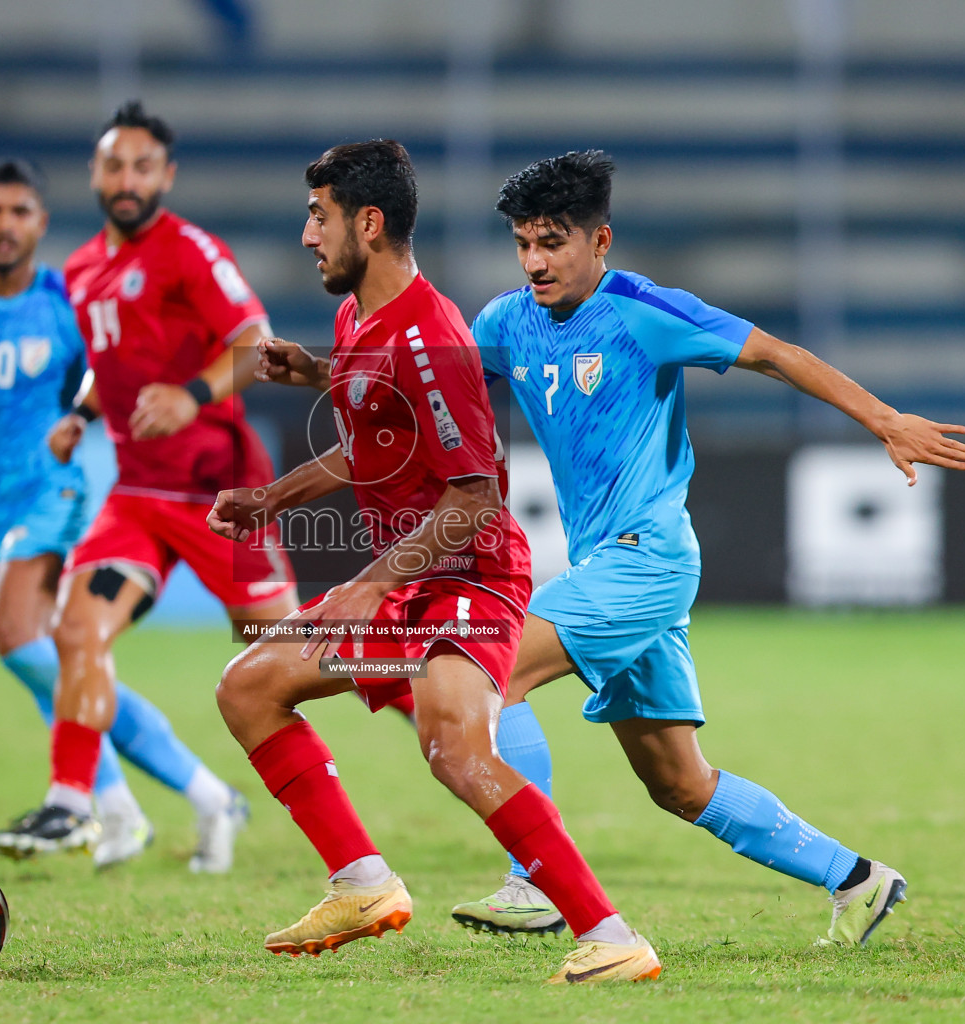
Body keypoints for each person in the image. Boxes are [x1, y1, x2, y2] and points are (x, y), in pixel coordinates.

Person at [262, 149, 965, 946]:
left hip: (649, 559)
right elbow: (423, 381)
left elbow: (776, 354)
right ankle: (858, 880)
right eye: (524, 244)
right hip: (605, 566)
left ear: (599, 242)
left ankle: (531, 882)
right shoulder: (506, 321)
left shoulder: (644, 312)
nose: (535, 262)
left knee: (484, 671)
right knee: (679, 784)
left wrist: (885, 420)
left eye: (553, 243)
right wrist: (319, 373)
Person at [208, 140, 663, 985]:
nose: (308, 235)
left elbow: (474, 499)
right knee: (248, 686)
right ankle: (362, 882)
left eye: (320, 216)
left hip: (470, 578)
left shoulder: (432, 336)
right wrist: (272, 495)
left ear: (368, 224)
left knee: (454, 744)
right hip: (405, 580)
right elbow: (372, 444)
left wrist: (366, 583)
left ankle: (611, 936)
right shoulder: (357, 321)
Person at [0, 157, 240, 872]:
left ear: (40, 221)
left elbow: (114, 364)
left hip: (52, 494)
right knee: (58, 666)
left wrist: (80, 414)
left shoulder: (68, 300)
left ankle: (82, 804)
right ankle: (174, 800)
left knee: (19, 638)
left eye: (19, 212)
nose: (5, 225)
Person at [0, 102, 299, 872]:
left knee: (290, 665)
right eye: (114, 165)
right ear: (95, 174)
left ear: (167, 175)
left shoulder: (190, 251)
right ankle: (70, 802)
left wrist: (192, 394)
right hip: (139, 497)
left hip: (220, 494)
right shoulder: (84, 270)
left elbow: (256, 345)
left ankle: (420, 710)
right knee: (76, 629)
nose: (127, 180)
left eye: (142, 166)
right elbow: (116, 359)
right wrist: (83, 413)